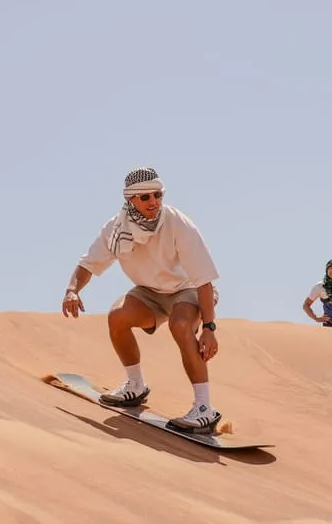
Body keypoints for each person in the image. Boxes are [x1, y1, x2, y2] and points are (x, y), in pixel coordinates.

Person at [61, 167, 222, 434]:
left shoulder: (177, 223)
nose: (153, 202)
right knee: (117, 317)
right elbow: (88, 264)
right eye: (145, 197)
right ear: (130, 199)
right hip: (149, 292)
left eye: (158, 195)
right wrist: (72, 290)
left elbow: (204, 279)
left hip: (187, 289)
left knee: (181, 326)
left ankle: (204, 408)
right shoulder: (116, 229)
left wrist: (209, 328)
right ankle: (135, 386)